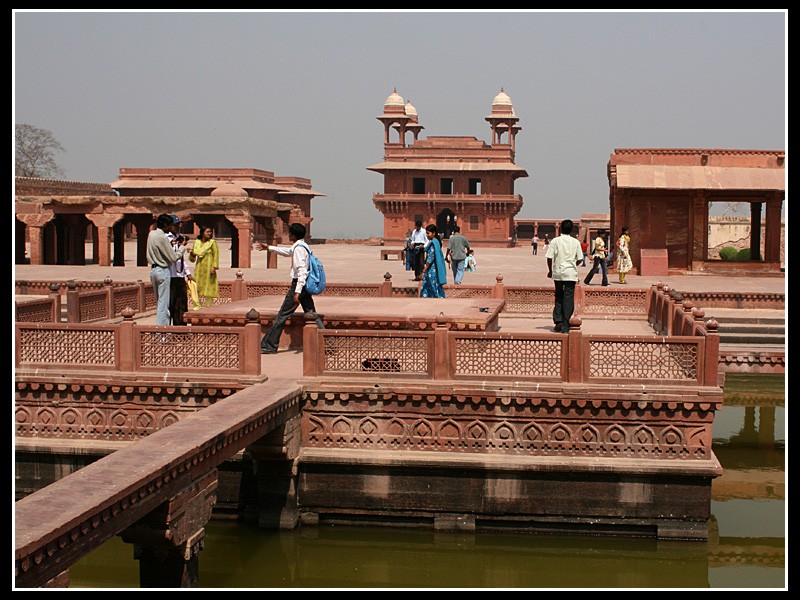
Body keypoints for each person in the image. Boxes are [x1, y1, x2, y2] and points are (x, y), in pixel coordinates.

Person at [258, 223, 325, 354]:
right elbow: (288, 252)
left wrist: (297, 292)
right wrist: (270, 248)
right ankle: (327, 344)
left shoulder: (299, 249)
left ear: (292, 235)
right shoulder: (302, 246)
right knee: (312, 313)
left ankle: (269, 345)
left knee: (282, 315)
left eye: (290, 233)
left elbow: (302, 271)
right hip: (304, 286)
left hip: (299, 285)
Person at [146, 213, 190, 326]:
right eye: (170, 225)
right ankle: (162, 333)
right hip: (163, 271)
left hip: (153, 271)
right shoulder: (163, 237)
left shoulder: (151, 234)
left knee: (160, 303)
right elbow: (173, 257)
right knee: (164, 305)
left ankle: (162, 333)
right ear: (165, 225)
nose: (172, 228)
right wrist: (182, 247)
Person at [546, 219, 584, 333]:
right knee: (568, 297)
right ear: (572, 229)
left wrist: (550, 270)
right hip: (571, 273)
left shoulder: (555, 241)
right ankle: (566, 324)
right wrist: (573, 265)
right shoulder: (575, 242)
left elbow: (549, 257)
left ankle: (558, 321)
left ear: (561, 228)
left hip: (558, 272)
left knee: (558, 296)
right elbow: (580, 259)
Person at [166, 215, 193, 326]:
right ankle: (167, 331)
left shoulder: (180, 238)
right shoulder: (166, 238)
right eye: (176, 225)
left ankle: (181, 330)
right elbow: (171, 256)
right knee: (170, 304)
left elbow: (181, 258)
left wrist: (188, 273)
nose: (178, 227)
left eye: (179, 225)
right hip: (169, 275)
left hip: (180, 276)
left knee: (181, 304)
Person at [188, 226, 220, 309]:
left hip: (209, 267)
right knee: (196, 285)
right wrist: (191, 253)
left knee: (209, 286)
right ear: (202, 233)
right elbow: (193, 258)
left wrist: (214, 267)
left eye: (210, 232)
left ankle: (208, 305)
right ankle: (197, 304)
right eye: (207, 232)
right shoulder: (197, 242)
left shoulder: (212, 242)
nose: (209, 233)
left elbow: (216, 255)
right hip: (199, 267)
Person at [420, 224, 447, 298]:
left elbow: (430, 257)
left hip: (432, 269)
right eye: (426, 233)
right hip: (436, 268)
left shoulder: (433, 243)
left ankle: (436, 299)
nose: (427, 235)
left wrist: (425, 269)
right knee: (435, 285)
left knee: (432, 285)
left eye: (428, 233)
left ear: (434, 233)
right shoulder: (436, 242)